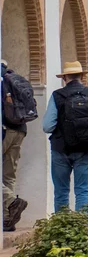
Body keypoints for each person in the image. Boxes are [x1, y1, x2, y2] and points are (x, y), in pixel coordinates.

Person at [42, 60, 88, 212]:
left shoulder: (57, 95)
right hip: (86, 148)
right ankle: (81, 228)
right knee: (83, 191)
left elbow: (47, 126)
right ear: (81, 77)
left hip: (60, 149)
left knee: (61, 192)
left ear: (65, 78)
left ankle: (62, 229)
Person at [2, 59, 36, 231]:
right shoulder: (15, 79)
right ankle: (8, 220)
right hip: (20, 130)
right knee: (9, 176)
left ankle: (11, 201)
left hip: (3, 131)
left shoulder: (2, 80)